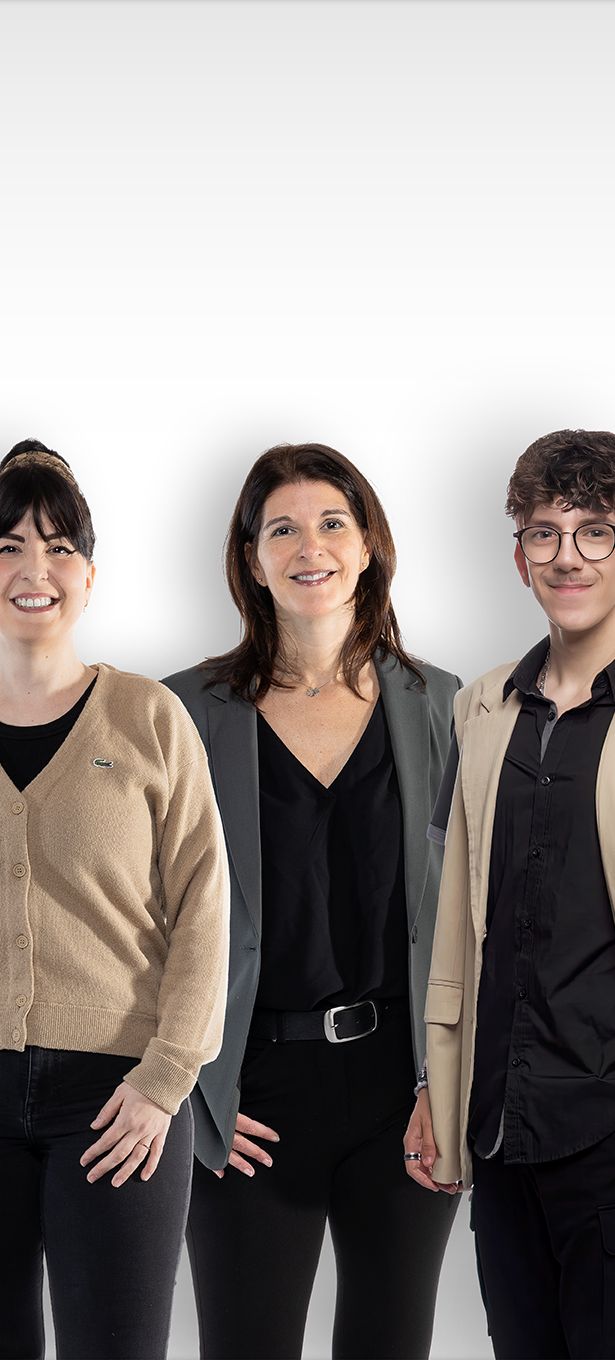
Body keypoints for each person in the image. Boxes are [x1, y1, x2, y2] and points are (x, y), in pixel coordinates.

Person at [164, 441, 460, 1360]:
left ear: (368, 545)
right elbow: (139, 918)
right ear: (251, 560)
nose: (310, 547)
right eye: (281, 530)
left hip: (401, 1096)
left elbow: (469, 918)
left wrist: (443, 1083)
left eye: (332, 522)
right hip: (248, 1094)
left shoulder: (443, 704)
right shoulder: (185, 711)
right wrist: (195, 1092)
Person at [0, 440, 230, 1360]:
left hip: (118, 1100)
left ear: (89, 577)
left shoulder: (146, 716)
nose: (34, 569)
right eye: (8, 546)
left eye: (59, 547)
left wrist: (167, 1077)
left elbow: (205, 905)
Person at [404, 427, 615, 1360]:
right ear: (518, 554)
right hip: (500, 1129)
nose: (567, 556)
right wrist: (435, 1083)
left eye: (595, 530)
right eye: (544, 532)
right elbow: (454, 917)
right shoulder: (481, 707)